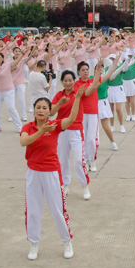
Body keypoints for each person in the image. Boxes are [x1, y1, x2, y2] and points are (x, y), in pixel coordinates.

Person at [20, 87, 85, 261]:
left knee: (57, 209)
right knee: (33, 210)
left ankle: (66, 241)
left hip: (52, 173)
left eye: (44, 108)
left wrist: (77, 98)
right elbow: (23, 141)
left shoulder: (55, 125)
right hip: (33, 173)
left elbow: (71, 118)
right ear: (34, 109)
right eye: (38, 107)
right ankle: (34, 243)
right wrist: (41, 131)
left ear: (50, 111)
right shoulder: (28, 126)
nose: (41, 110)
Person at [51, 71, 90, 200]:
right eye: (65, 80)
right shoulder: (59, 95)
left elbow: (93, 86)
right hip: (61, 130)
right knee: (63, 160)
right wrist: (60, 103)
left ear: (74, 81)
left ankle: (84, 185)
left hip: (76, 130)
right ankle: (65, 184)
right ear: (62, 82)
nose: (68, 83)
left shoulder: (79, 93)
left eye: (70, 80)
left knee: (79, 160)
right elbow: (51, 113)